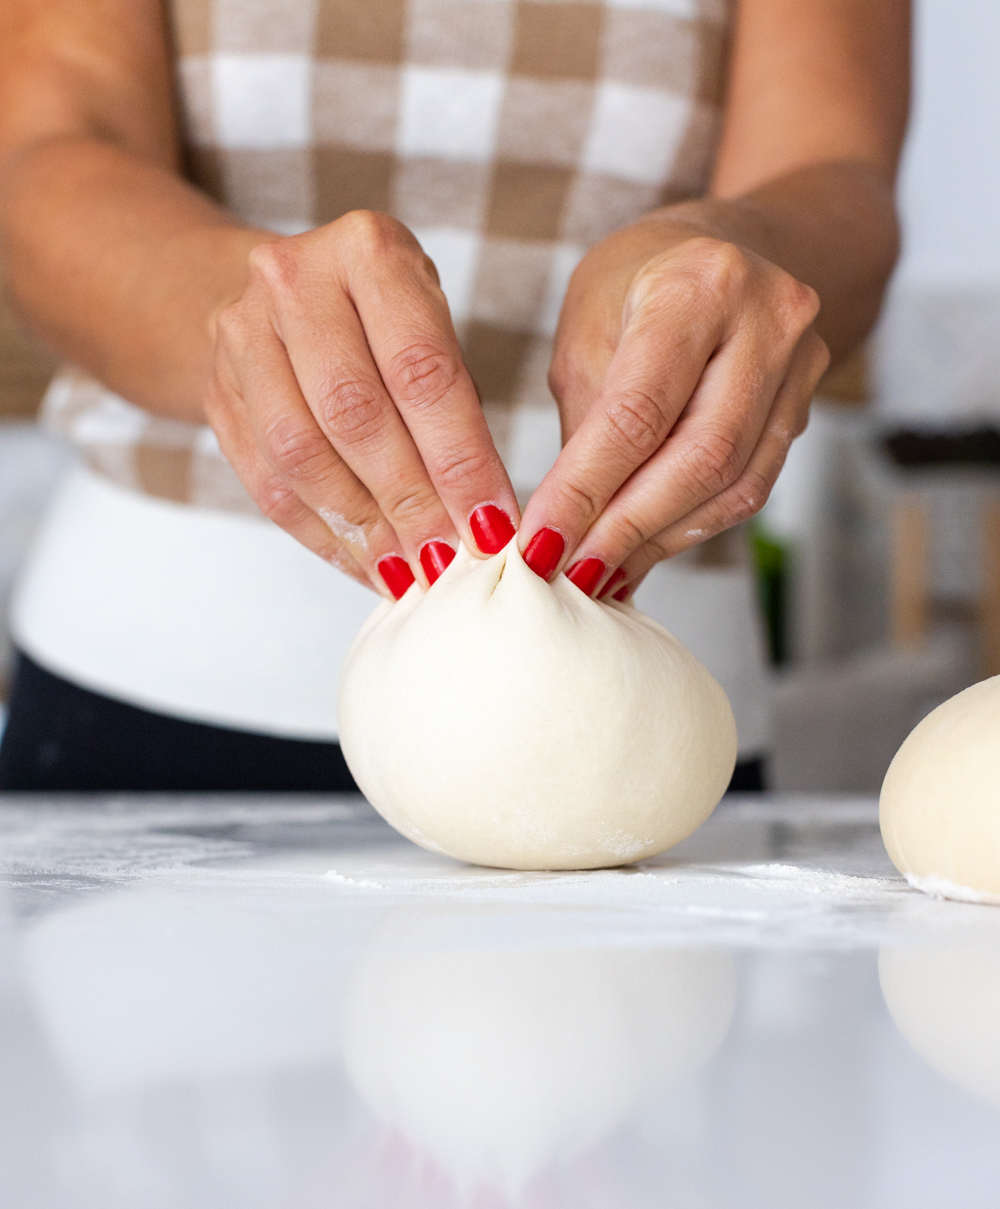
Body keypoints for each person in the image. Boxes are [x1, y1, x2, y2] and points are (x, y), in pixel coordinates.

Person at [0, 0, 909, 792]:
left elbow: (839, 173)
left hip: (636, 721)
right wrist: (241, 319)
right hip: (153, 686)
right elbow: (44, 160)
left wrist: (725, 247)